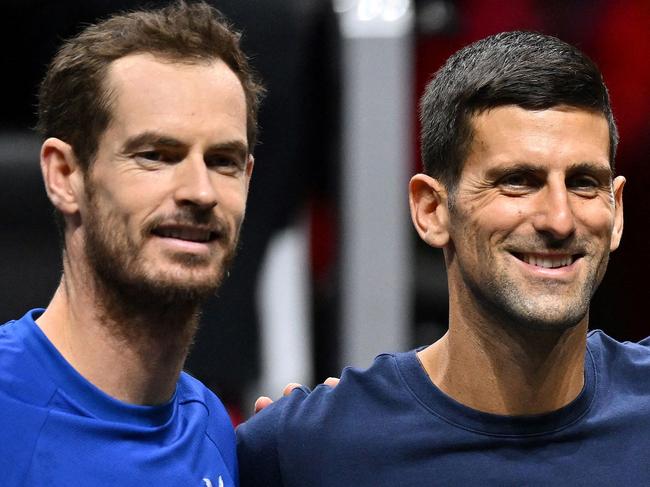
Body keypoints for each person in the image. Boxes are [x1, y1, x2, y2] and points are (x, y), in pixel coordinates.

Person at [237, 31, 650, 485]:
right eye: (517, 181)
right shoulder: (311, 448)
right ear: (432, 210)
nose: (559, 219)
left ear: (617, 211)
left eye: (583, 182)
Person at [0, 2, 263, 485]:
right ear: (65, 175)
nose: (200, 192)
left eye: (223, 161)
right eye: (156, 155)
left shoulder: (213, 429)